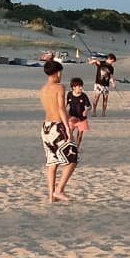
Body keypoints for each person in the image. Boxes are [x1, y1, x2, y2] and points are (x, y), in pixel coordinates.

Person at [39, 60, 78, 203]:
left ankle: (51, 196)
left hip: (46, 127)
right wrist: (68, 128)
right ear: (57, 72)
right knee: (72, 159)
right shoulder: (59, 87)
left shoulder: (43, 89)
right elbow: (61, 108)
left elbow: (53, 108)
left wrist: (69, 118)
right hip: (57, 127)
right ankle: (59, 190)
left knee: (52, 162)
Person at [66, 77, 92, 147]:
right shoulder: (69, 94)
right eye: (79, 86)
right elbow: (66, 104)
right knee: (69, 133)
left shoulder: (84, 96)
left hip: (82, 119)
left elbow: (89, 106)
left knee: (80, 135)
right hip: (72, 118)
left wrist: (86, 110)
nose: (81, 88)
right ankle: (70, 146)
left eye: (81, 86)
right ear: (73, 87)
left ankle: (77, 147)